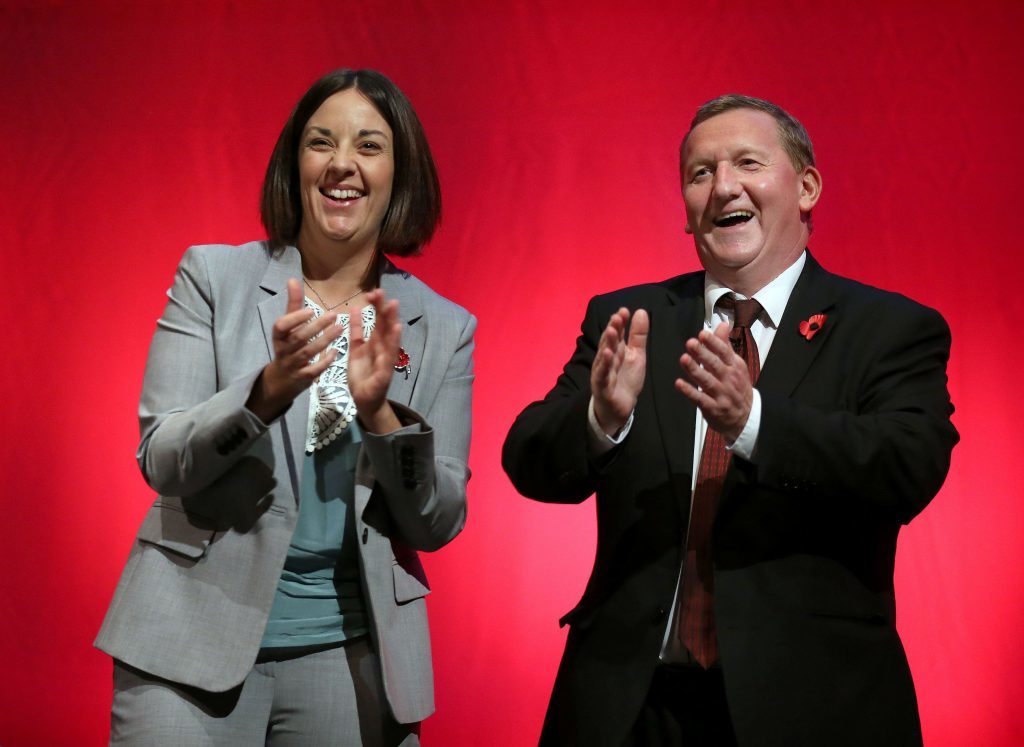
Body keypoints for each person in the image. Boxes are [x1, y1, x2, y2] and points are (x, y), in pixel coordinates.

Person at [502, 94, 958, 747]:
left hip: (812, 706)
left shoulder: (887, 328)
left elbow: (908, 464)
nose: (723, 187)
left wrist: (755, 422)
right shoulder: (631, 320)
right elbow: (528, 456)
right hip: (632, 706)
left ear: (806, 187)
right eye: (699, 173)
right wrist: (599, 417)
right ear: (686, 212)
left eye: (747, 162)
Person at [96, 69, 475, 746]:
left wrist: (381, 414)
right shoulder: (214, 276)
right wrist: (267, 390)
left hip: (349, 654)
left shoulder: (444, 326)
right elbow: (162, 456)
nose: (341, 164)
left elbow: (438, 518)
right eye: (320, 142)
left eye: (368, 146)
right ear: (295, 163)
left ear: (400, 172)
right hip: (188, 639)